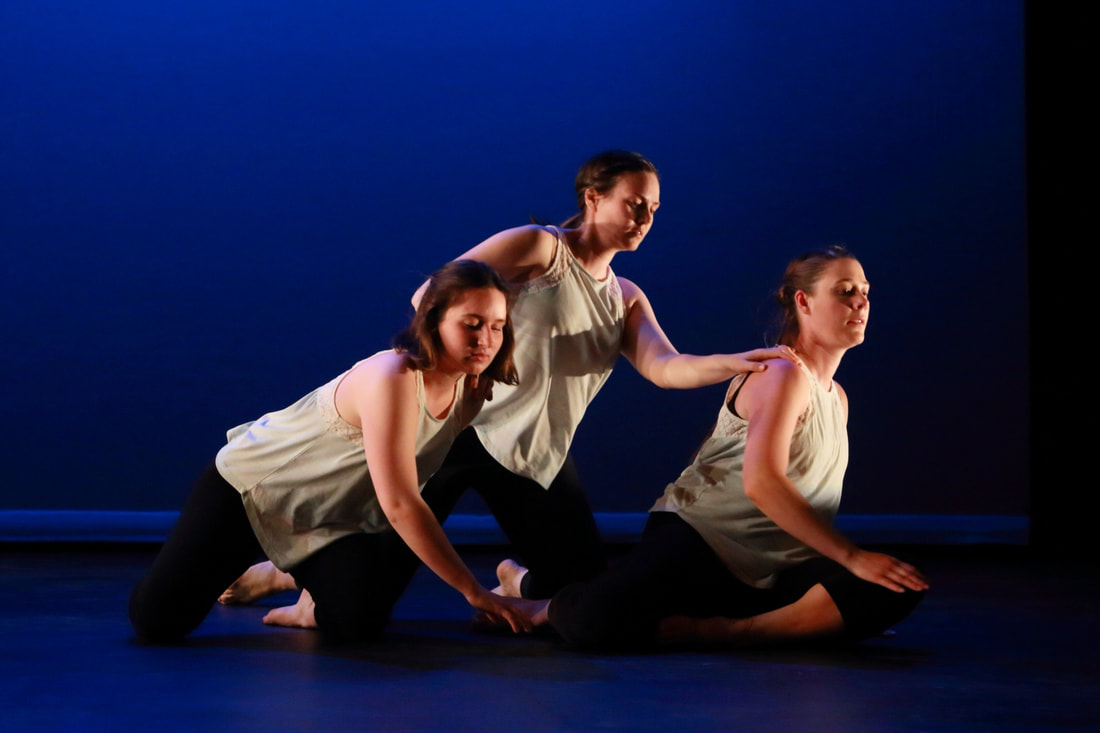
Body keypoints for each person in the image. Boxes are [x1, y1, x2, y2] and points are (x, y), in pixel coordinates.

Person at [222, 150, 795, 610]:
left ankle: (513, 582)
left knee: (579, 583)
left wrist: (735, 362)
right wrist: (460, 370)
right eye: (634, 204)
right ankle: (286, 575)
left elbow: (665, 367)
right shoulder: (540, 246)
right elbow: (429, 296)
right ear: (593, 198)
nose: (645, 218)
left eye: (653, 209)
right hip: (462, 428)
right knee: (376, 568)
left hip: (533, 451)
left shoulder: (624, 296)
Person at [508, 246, 928, 649]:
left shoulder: (837, 399)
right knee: (596, 622)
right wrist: (850, 557)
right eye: (845, 291)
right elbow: (761, 483)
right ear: (804, 301)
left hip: (778, 567)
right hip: (705, 546)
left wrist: (853, 570)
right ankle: (533, 596)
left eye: (865, 292)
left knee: (899, 584)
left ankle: (730, 630)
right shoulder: (783, 373)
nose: (860, 302)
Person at [128, 260, 540, 642]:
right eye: (471, 324)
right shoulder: (393, 376)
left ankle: (288, 582)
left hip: (329, 519)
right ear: (433, 321)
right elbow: (400, 503)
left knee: (357, 621)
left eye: (497, 326)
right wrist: (475, 592)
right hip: (255, 493)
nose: (486, 340)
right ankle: (258, 565)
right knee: (158, 623)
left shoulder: (471, 389)